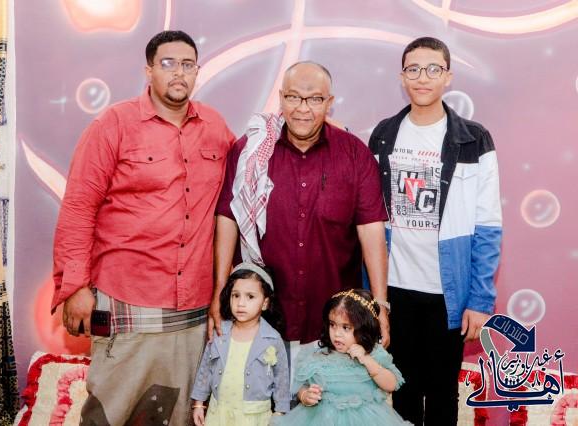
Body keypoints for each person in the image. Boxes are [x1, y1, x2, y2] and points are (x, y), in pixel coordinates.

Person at [51, 30, 236, 426]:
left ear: (197, 71)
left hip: (191, 311)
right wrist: (75, 286)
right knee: (110, 414)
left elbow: (249, 174)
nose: (179, 73)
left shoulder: (215, 126)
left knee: (179, 415)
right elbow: (79, 207)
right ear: (149, 70)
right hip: (126, 300)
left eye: (188, 65)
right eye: (168, 64)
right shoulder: (114, 124)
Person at [211, 62, 390, 374]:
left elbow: (372, 232)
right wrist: (219, 290)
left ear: (329, 102)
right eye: (294, 97)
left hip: (334, 326)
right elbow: (228, 218)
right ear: (281, 98)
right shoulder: (250, 151)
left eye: (315, 99)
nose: (303, 109)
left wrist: (380, 305)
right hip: (260, 320)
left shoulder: (354, 154)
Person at [368, 36, 502, 425]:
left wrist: (480, 299)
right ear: (402, 77)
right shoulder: (384, 135)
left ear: (448, 77)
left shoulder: (474, 139)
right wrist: (375, 298)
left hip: (450, 292)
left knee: (443, 393)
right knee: (402, 389)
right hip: (396, 288)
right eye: (413, 69)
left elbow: (488, 224)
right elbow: (370, 218)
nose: (422, 77)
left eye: (433, 69)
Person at [271, 288, 409, 425]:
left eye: (346, 327)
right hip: (321, 419)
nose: (337, 334)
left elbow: (391, 385)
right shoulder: (319, 355)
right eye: (332, 325)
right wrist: (305, 396)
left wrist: (367, 360)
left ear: (364, 328)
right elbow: (302, 386)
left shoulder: (373, 354)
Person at [191, 263, 290, 425]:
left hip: (253, 417)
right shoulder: (220, 332)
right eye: (236, 295)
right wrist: (199, 404)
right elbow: (206, 369)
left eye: (250, 297)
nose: (241, 303)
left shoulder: (272, 339)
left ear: (265, 303)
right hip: (218, 414)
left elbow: (281, 379)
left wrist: (280, 413)